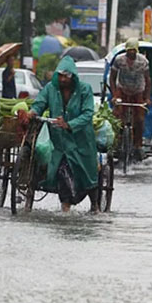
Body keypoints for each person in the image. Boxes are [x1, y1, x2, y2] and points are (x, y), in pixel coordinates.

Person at [26, 56, 99, 213]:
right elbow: (40, 103)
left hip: (81, 139)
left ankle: (95, 204)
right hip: (59, 141)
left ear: (73, 76)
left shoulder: (84, 90)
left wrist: (69, 125)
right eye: (60, 75)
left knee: (87, 172)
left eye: (66, 76)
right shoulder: (50, 89)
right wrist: (32, 112)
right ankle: (65, 207)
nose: (63, 79)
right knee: (62, 170)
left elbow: (88, 113)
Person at [109, 38, 151, 159]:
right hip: (122, 90)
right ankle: (117, 141)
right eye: (129, 50)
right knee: (117, 116)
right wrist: (114, 95)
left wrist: (147, 98)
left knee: (140, 118)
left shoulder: (143, 61)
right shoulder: (119, 60)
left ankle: (138, 145)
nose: (131, 53)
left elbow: (148, 80)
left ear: (136, 51)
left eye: (133, 50)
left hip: (138, 91)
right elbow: (112, 78)